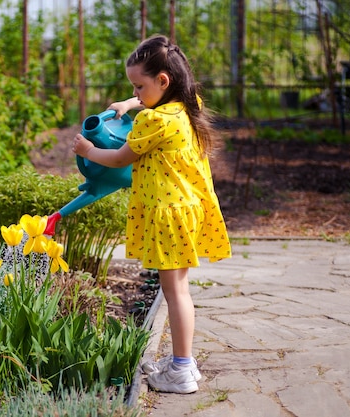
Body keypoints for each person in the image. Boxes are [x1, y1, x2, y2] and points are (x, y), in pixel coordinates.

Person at [72, 34, 231, 394]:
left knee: (174, 292)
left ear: (163, 81)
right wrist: (130, 103)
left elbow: (118, 159)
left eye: (139, 86)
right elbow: (152, 105)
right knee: (179, 289)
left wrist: (87, 148)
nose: (137, 93)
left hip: (168, 214)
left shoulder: (154, 123)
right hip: (187, 209)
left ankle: (181, 370)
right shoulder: (186, 108)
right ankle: (183, 364)